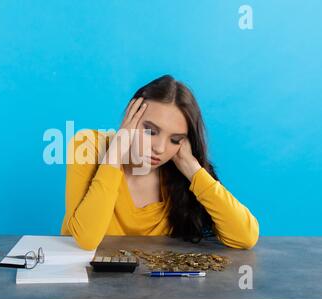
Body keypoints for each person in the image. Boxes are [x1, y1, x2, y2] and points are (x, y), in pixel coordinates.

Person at [60, 74, 259, 250]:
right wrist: (116, 152)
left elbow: (245, 237)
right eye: (150, 131)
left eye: (175, 139)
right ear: (130, 118)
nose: (160, 148)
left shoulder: (177, 171)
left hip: (155, 287)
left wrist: (192, 170)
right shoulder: (87, 145)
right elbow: (87, 239)